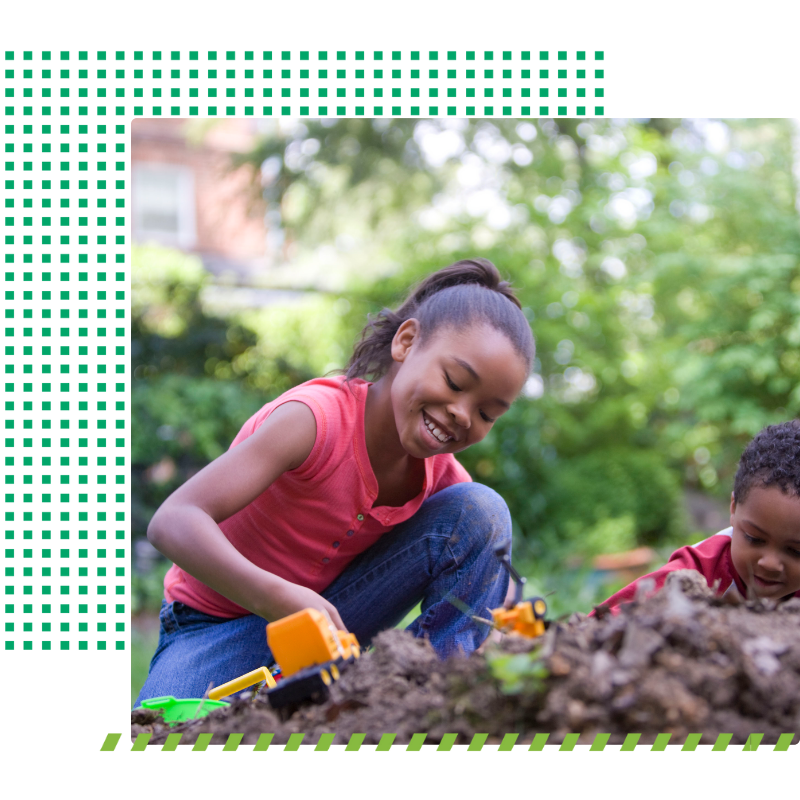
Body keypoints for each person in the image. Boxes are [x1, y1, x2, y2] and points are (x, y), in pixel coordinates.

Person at [134, 258, 534, 707]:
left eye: (486, 414)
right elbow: (173, 520)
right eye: (455, 381)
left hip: (331, 625)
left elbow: (488, 571)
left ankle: (436, 700)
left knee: (482, 510)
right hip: (214, 627)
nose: (463, 413)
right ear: (406, 341)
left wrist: (512, 633)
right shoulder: (314, 421)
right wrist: (278, 599)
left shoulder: (441, 478)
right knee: (162, 728)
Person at [592, 420, 800, 616]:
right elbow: (598, 623)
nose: (770, 563)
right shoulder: (694, 575)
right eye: (755, 538)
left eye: (795, 551)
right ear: (734, 508)